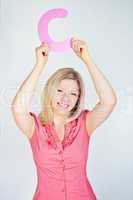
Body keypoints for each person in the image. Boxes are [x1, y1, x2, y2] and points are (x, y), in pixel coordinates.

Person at [11, 37, 117, 200]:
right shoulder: (35, 128)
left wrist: (86, 59)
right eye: (60, 91)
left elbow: (109, 101)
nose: (66, 98)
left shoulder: (84, 123)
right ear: (50, 91)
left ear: (78, 99)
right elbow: (18, 108)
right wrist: (40, 65)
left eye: (73, 93)